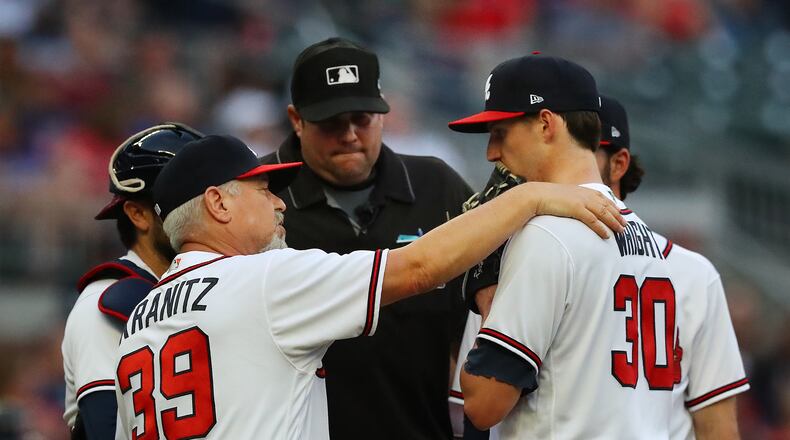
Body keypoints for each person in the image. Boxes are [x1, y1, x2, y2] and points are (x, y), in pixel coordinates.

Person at [113, 134, 625, 439]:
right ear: (218, 205)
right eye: (263, 189)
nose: (279, 204)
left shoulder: (141, 317)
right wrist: (530, 197)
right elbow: (418, 268)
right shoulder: (264, 279)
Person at [449, 96, 751, 439]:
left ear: (619, 163)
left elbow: (481, 408)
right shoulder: (695, 272)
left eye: (590, 147)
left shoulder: (534, 250)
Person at [450, 54, 679, 438]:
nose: (491, 152)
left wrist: (486, 287)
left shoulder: (547, 234)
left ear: (545, 123)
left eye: (500, 132)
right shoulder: (646, 237)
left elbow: (483, 404)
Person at [261, 37, 474, 439]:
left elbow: (482, 309)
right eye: (331, 122)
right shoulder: (257, 195)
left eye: (361, 118)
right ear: (295, 119)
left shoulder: (435, 186)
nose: (349, 135)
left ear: (383, 114)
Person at [595, 96, 749, 439]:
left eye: (582, 156)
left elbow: (718, 424)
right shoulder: (544, 256)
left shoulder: (697, 274)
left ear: (619, 164)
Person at [61, 123, 204, 439]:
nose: (207, 210)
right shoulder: (103, 305)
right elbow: (106, 428)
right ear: (138, 214)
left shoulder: (212, 282)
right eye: (187, 198)